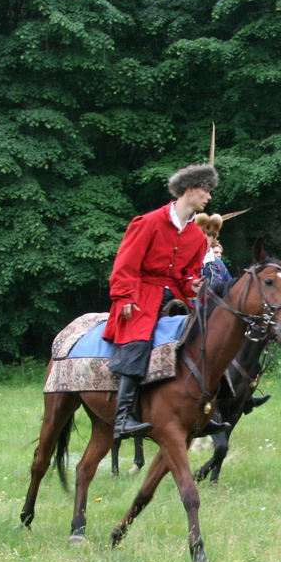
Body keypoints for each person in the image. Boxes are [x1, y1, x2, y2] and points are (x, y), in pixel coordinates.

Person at [103, 162, 214, 439]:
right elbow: (125, 264)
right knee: (137, 343)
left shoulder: (198, 238)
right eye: (206, 190)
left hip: (174, 299)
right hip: (140, 295)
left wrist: (193, 284)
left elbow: (185, 278)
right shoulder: (148, 222)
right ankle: (123, 418)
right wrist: (125, 296)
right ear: (189, 190)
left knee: (207, 339)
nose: (209, 197)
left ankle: (207, 412)